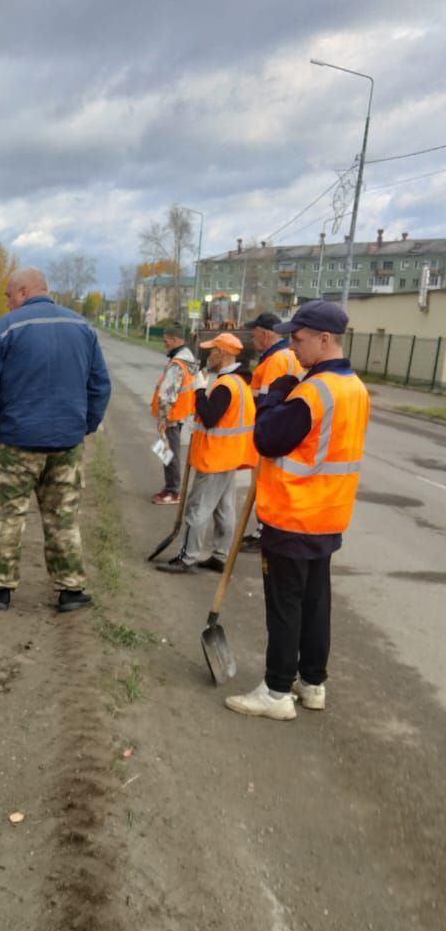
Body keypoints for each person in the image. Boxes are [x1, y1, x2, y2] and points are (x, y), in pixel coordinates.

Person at [225, 300, 370, 721]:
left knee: (285, 604)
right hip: (328, 515)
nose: (294, 346)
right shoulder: (355, 388)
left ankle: (275, 691)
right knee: (314, 602)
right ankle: (312, 683)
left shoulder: (313, 391)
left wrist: (273, 398)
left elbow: (268, 440)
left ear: (326, 340)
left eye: (300, 338)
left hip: (293, 514)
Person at [0, 267, 111, 612]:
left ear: (21, 292)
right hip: (66, 444)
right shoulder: (82, 328)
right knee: (63, 517)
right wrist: (85, 427)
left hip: (14, 445)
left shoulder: (5, 329)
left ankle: (0, 590)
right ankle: (71, 591)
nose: (6, 302)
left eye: (7, 295)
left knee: (6, 516)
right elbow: (100, 386)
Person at [155, 331, 255, 575]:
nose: (209, 355)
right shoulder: (240, 383)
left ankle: (186, 558)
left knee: (197, 509)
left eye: (212, 351)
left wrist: (200, 391)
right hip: (229, 456)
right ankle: (220, 556)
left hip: (215, 458)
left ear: (222, 354)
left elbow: (210, 418)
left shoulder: (226, 386)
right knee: (224, 509)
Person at [240, 312, 303, 550]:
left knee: (266, 484)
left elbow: (267, 401)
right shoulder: (281, 357)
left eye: (254, 332)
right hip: (280, 431)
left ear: (266, 334)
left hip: (269, 433)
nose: (251, 336)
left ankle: (264, 530)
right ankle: (263, 529)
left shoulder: (276, 360)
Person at [149, 323, 201, 504]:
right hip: (178, 415)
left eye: (167, 340)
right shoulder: (187, 361)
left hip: (171, 417)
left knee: (169, 454)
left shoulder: (177, 364)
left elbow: (167, 395)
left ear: (175, 339)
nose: (165, 343)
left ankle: (172, 491)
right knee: (167, 453)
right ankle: (171, 487)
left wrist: (162, 419)